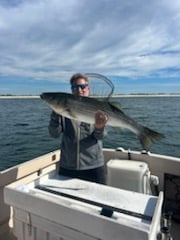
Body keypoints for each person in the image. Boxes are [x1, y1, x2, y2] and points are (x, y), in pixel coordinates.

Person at [48, 73, 108, 184]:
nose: (79, 90)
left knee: (96, 200)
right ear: (71, 90)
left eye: (83, 86)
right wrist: (55, 117)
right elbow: (54, 134)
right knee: (66, 201)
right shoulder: (63, 110)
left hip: (93, 166)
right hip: (68, 166)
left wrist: (99, 128)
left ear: (88, 88)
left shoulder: (97, 109)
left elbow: (100, 137)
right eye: (75, 87)